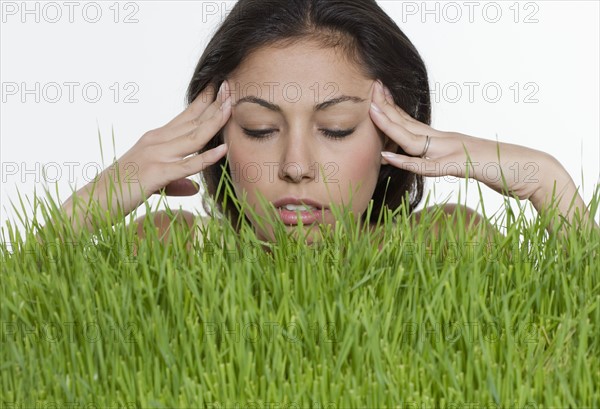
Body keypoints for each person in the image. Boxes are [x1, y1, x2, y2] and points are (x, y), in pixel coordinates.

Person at [59, 0, 597, 246]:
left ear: (390, 133)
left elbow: (574, 346)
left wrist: (547, 181)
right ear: (215, 134)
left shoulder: (445, 244)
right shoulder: (167, 248)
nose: (297, 167)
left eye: (336, 128)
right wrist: (88, 205)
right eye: (259, 129)